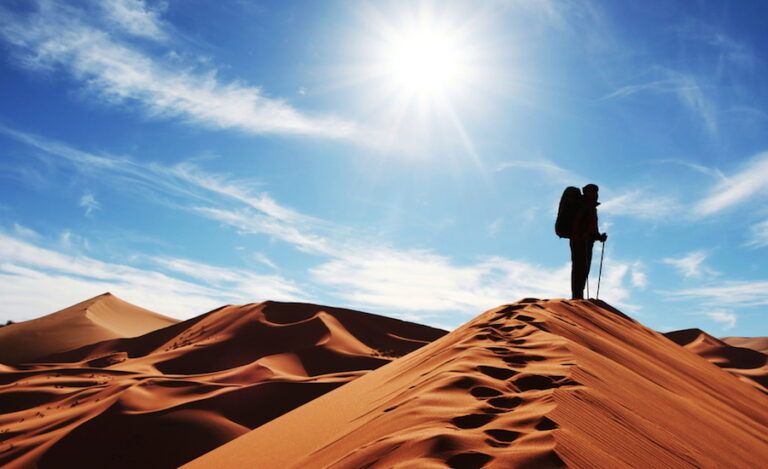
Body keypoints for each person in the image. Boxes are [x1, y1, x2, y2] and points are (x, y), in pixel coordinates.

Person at [570, 184, 607, 299]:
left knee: (584, 269)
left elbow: (591, 228)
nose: (596, 195)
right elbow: (576, 223)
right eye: (594, 192)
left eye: (596, 192)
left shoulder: (591, 208)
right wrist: (582, 234)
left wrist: (599, 237)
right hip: (579, 241)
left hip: (587, 242)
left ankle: (578, 294)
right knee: (580, 268)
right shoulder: (583, 206)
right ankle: (577, 296)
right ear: (588, 193)